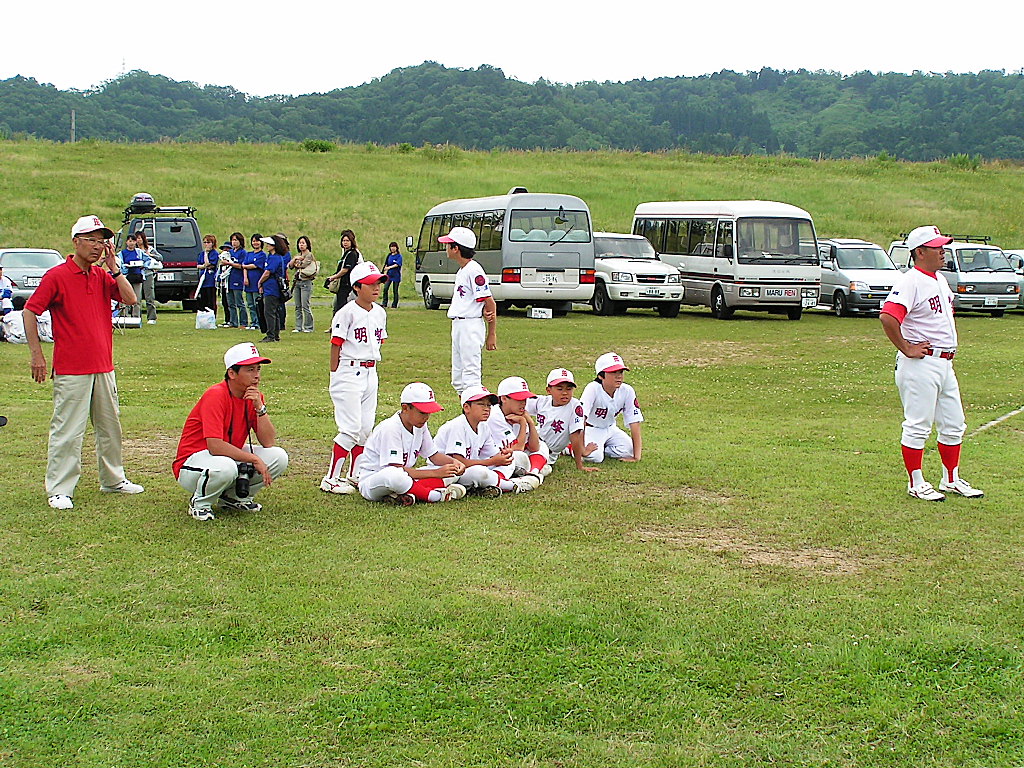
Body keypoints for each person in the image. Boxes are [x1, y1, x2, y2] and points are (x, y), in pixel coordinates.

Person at [23, 214, 145, 510]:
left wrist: (114, 268)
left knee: (110, 427)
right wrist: (37, 355)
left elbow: (130, 299)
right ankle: (60, 488)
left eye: (101, 241)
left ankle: (113, 479)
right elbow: (30, 311)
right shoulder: (57, 276)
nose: (97, 246)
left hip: (103, 366)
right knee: (68, 430)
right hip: (72, 368)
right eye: (91, 240)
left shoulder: (101, 276)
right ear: (76, 242)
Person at [880, 225, 983, 501]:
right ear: (920, 252)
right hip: (921, 363)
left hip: (944, 363)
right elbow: (888, 316)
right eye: (937, 247)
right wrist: (906, 347)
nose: (943, 251)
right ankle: (916, 482)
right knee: (918, 424)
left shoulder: (939, 279)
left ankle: (951, 479)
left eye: (942, 246)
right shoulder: (910, 281)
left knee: (954, 423)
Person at [172, 342, 289, 521]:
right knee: (226, 467)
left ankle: (233, 498)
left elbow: (268, 442)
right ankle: (200, 504)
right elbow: (215, 446)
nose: (257, 375)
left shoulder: (254, 396)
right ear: (232, 373)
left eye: (258, 369)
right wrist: (253, 459)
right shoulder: (215, 395)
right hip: (192, 463)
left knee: (278, 456)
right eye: (250, 370)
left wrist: (260, 407)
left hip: (222, 458)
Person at [320, 261, 389, 494]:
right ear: (357, 287)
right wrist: (335, 374)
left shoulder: (380, 313)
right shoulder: (346, 313)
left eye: (378, 283)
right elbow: (336, 344)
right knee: (350, 428)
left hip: (370, 372)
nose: (376, 287)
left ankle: (355, 473)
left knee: (365, 429)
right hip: (349, 371)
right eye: (370, 284)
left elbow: (379, 341)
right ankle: (330, 478)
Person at [355, 382, 467, 506]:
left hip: (406, 477)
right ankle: (436, 496)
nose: (426, 417)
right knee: (395, 476)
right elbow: (396, 469)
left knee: (451, 473)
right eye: (422, 412)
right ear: (405, 408)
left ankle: (408, 495)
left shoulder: (419, 425)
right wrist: (436, 473)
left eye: (429, 412)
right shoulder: (390, 428)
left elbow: (434, 456)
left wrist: (454, 463)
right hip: (374, 481)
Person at [433, 385, 537, 497]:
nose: (487, 408)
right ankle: (512, 485)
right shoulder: (457, 426)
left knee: (513, 457)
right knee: (479, 472)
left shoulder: (483, 426)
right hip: (449, 473)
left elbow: (492, 454)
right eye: (481, 404)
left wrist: (503, 455)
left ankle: (487, 485)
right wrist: (492, 461)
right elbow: (458, 462)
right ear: (467, 408)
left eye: (488, 405)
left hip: (470, 469)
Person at [440, 226, 497, 394]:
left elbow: (490, 302)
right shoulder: (463, 270)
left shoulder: (474, 270)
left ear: (456, 248)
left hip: (470, 325)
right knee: (458, 378)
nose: (446, 248)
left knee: (471, 375)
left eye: (448, 244)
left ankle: (477, 407)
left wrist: (491, 334)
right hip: (459, 324)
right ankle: (465, 408)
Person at [526, 368, 599, 474]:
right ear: (549, 390)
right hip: (532, 440)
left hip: (547, 452)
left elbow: (575, 436)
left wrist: (579, 465)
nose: (565, 393)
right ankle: (567, 448)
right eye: (560, 389)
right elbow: (518, 404)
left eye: (569, 389)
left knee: (533, 469)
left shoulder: (575, 406)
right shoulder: (542, 401)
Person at [580, 353, 644, 463]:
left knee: (629, 451)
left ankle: (601, 447)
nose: (619, 376)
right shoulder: (592, 388)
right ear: (601, 375)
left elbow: (634, 421)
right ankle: (570, 447)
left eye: (621, 372)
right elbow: (581, 418)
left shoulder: (627, 390)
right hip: (590, 428)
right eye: (613, 372)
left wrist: (636, 457)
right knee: (595, 457)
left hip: (610, 428)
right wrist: (581, 447)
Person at [484, 375, 544, 489]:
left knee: (542, 447)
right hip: (492, 460)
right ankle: (511, 480)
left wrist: (531, 423)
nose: (523, 403)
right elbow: (517, 449)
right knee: (520, 457)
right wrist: (523, 423)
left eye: (525, 399)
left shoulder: (518, 412)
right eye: (519, 399)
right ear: (504, 399)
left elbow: (534, 447)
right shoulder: (494, 416)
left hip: (507, 457)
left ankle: (533, 472)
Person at [257, 234, 286, 342]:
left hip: (272, 289)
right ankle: (275, 334)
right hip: (271, 288)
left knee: (269, 312)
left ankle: (271, 335)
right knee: (274, 312)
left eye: (269, 244)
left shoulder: (274, 258)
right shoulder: (273, 257)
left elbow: (267, 272)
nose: (267, 246)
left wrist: (260, 282)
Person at [326, 229, 362, 317]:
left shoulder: (352, 254)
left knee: (343, 307)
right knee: (337, 306)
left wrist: (333, 277)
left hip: (347, 285)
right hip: (342, 285)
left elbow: (345, 269)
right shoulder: (345, 253)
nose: (345, 243)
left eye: (347, 241)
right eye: (343, 240)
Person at [289, 235, 318, 333]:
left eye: (303, 243)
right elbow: (290, 266)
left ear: (307, 244)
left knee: (305, 305)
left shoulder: (309, 255)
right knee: (298, 306)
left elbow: (302, 265)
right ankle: (298, 327)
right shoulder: (298, 255)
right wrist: (295, 259)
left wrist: (297, 262)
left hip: (306, 281)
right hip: (297, 282)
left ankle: (309, 327)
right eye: (300, 243)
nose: (301, 245)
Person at [135, 231, 162, 325]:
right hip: (137, 274)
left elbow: (160, 257)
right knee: (137, 298)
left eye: (139, 238)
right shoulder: (134, 250)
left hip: (148, 274)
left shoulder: (149, 249)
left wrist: (150, 255)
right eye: (136, 238)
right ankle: (137, 317)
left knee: (149, 296)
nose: (138, 240)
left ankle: (152, 317)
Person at [225, 232, 248, 329]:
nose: (234, 242)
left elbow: (241, 266)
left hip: (237, 279)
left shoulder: (243, 253)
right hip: (229, 279)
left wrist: (230, 264)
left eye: (236, 240)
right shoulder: (230, 252)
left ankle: (243, 322)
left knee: (239, 302)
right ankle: (233, 322)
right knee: (230, 303)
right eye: (232, 240)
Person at [119, 234, 144, 319]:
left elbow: (147, 261)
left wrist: (142, 265)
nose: (131, 243)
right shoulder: (122, 253)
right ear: (126, 242)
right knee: (124, 297)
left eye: (133, 241)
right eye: (130, 241)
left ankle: (136, 317)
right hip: (126, 276)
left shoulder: (139, 252)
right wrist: (126, 266)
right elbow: (120, 264)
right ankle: (124, 316)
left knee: (137, 298)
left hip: (137, 276)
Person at [243, 234, 264, 332]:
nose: (255, 243)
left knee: (257, 304)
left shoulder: (262, 255)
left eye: (257, 241)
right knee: (250, 304)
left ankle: (258, 323)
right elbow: (244, 266)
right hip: (249, 283)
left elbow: (255, 266)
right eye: (253, 241)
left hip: (257, 282)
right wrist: (245, 278)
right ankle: (253, 322)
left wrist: (245, 266)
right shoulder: (249, 254)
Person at [196, 234, 219, 312]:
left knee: (211, 301)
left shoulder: (214, 253)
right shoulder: (201, 254)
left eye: (208, 242)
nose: (206, 244)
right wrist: (203, 266)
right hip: (203, 280)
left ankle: (212, 315)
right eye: (205, 242)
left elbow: (209, 264)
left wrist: (206, 254)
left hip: (211, 281)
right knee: (203, 300)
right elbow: (198, 265)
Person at [381, 241, 403, 308]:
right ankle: (384, 303)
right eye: (391, 247)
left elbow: (397, 264)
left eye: (394, 247)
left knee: (395, 290)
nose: (392, 248)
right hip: (389, 275)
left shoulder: (399, 256)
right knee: (385, 289)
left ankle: (394, 304)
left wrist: (389, 267)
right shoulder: (389, 256)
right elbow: (386, 263)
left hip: (396, 275)